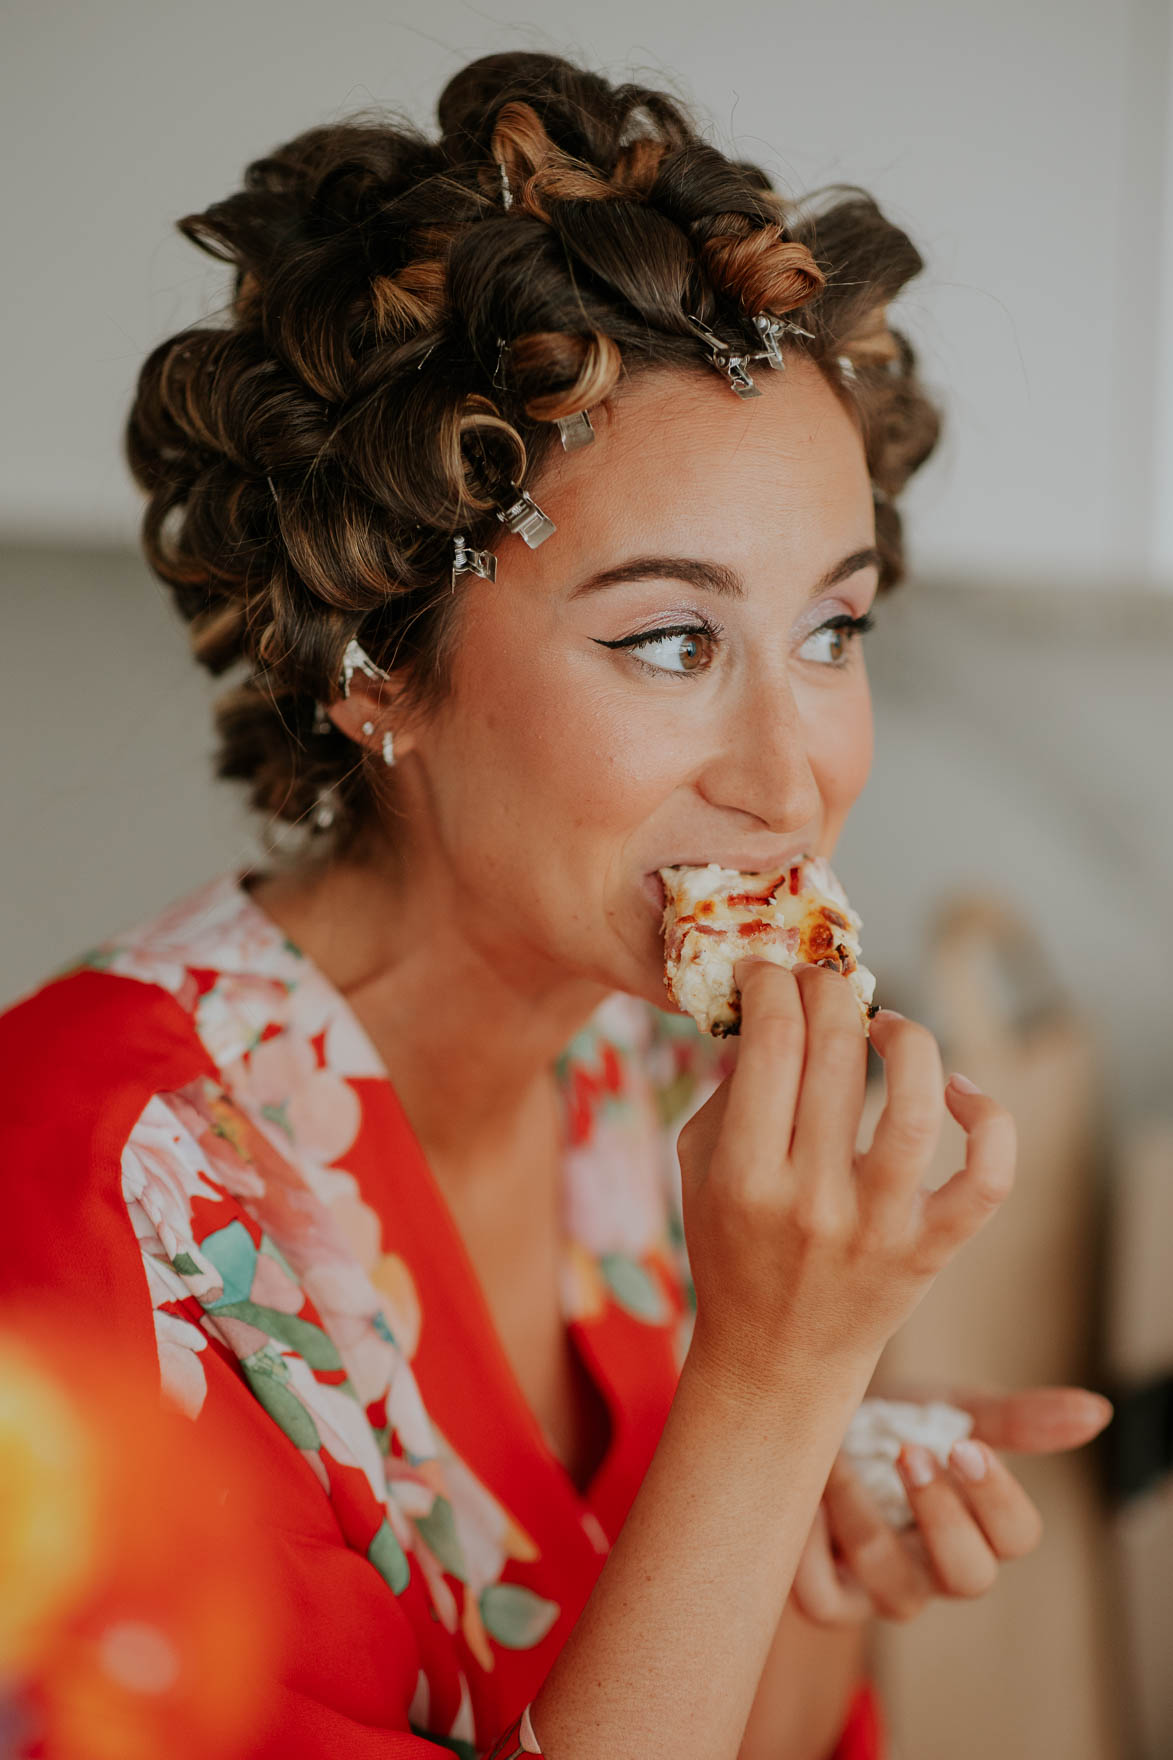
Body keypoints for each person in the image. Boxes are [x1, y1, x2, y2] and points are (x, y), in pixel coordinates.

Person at [0, 49, 1112, 1760]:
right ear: (380, 661)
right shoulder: (74, 1186)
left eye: (831, 629)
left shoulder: (653, 1075)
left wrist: (800, 1503)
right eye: (666, 639)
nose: (792, 771)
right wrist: (771, 1388)